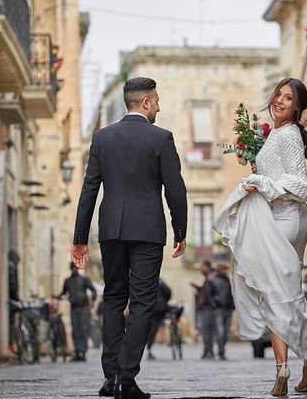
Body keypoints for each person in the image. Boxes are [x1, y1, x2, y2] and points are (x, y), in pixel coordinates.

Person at [71, 77, 187, 399]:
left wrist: (80, 237)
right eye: (157, 101)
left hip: (111, 229)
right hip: (148, 230)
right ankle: (126, 379)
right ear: (146, 103)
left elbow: (89, 190)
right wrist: (181, 231)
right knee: (143, 301)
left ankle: (111, 377)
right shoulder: (161, 138)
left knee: (113, 297)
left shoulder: (102, 138)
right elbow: (175, 189)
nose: (159, 107)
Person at [213, 78, 307, 396]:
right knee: (282, 293)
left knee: (277, 295)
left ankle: (287, 369)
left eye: (288, 98)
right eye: (278, 94)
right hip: (277, 218)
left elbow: (305, 187)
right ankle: (304, 364)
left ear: (297, 106)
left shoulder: (288, 135)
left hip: (286, 218)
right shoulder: (275, 133)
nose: (280, 101)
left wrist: (263, 184)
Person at [60, 261, 97, 361]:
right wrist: (60, 297)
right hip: (74, 308)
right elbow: (63, 293)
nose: (75, 269)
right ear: (71, 268)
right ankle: (77, 351)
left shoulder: (84, 279)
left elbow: (93, 290)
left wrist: (93, 299)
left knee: (83, 329)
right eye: (73, 267)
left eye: (76, 267)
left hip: (84, 307)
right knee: (75, 330)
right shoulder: (67, 281)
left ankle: (83, 351)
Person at [206, 262, 235, 360]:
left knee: (226, 332)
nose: (225, 271)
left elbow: (230, 294)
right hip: (218, 308)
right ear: (220, 269)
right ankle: (220, 351)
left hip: (228, 308)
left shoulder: (227, 280)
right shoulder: (212, 280)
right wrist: (214, 306)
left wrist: (232, 306)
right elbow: (209, 295)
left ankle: (222, 350)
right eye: (224, 269)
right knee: (220, 331)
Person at [191, 260, 217, 359]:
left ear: (206, 266)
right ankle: (208, 351)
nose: (200, 268)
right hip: (208, 307)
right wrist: (198, 288)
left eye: (201, 266)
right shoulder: (209, 276)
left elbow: (209, 294)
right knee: (208, 331)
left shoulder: (210, 277)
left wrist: (213, 306)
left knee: (207, 331)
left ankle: (208, 352)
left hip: (208, 307)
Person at [145, 278, 171, 360]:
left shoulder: (145, 279)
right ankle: (149, 347)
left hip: (150, 306)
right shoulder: (160, 280)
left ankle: (148, 347)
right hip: (161, 307)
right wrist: (164, 300)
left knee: (150, 328)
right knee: (154, 327)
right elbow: (168, 291)